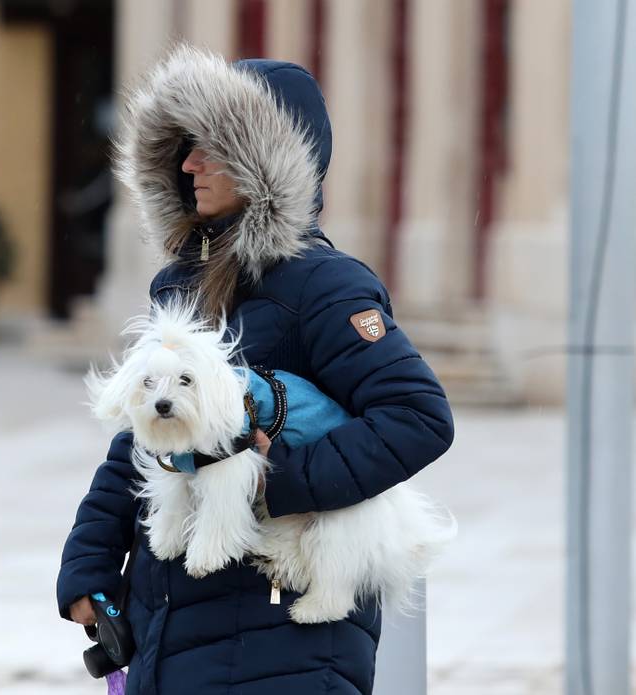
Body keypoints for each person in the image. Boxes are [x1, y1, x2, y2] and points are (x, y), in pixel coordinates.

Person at [57, 46, 454, 695]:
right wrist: (90, 562)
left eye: (210, 147)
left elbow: (417, 419)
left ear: (265, 159)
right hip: (172, 630)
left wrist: (272, 485)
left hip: (283, 636)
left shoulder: (327, 288)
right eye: (184, 147)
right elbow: (145, 436)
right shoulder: (178, 289)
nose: (189, 164)